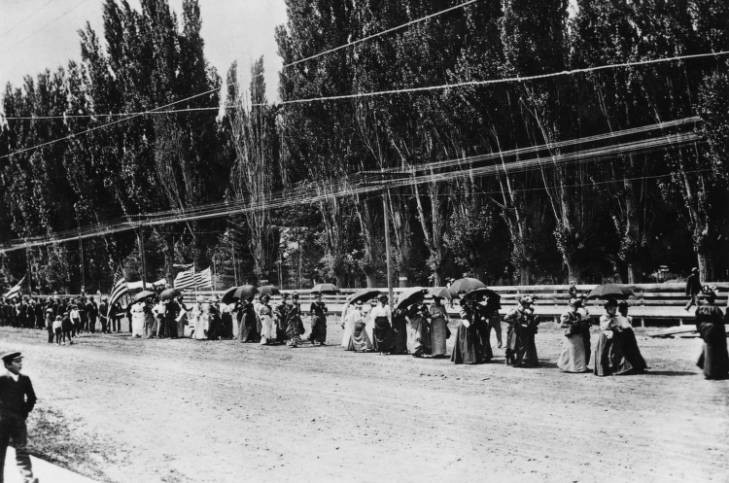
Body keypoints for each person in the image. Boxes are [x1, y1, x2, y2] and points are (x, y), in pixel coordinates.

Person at [0, 352, 38, 483]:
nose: (20, 364)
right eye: (17, 361)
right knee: (0, 453)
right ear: (7, 364)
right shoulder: (1, 381)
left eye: (20, 361)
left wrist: (24, 412)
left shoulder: (25, 380)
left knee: (22, 451)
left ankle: (28, 479)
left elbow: (32, 398)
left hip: (18, 422)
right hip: (2, 423)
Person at [593, 299, 647, 376]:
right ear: (608, 309)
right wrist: (610, 322)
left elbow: (619, 325)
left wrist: (618, 326)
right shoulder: (603, 317)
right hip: (606, 336)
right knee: (604, 352)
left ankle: (618, 367)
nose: (614, 311)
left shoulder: (617, 317)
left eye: (615, 309)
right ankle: (604, 369)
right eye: (612, 309)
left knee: (618, 350)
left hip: (615, 336)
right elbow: (604, 327)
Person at [695, 287, 729, 380]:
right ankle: (717, 371)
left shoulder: (699, 309)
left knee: (708, 349)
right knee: (719, 350)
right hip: (715, 330)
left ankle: (707, 369)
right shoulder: (716, 309)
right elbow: (722, 321)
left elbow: (697, 321)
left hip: (704, 330)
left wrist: (700, 331)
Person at [504, 296, 539, 367]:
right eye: (527, 304)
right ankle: (509, 359)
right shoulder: (515, 311)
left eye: (529, 304)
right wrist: (515, 322)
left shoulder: (529, 310)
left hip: (525, 331)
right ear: (523, 304)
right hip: (515, 331)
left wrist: (531, 318)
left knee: (522, 346)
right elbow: (506, 318)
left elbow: (529, 320)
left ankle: (519, 361)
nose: (529, 306)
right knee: (513, 346)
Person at [557, 298, 589, 373]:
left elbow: (581, 322)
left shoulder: (578, 314)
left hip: (577, 334)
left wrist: (582, 322)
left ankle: (579, 367)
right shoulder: (566, 314)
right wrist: (572, 323)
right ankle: (566, 366)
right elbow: (562, 324)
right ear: (570, 306)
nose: (574, 308)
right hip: (570, 334)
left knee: (579, 350)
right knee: (570, 350)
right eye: (573, 306)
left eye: (576, 306)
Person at [451, 298, 485, 364]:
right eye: (468, 302)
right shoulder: (463, 309)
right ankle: (467, 358)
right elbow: (464, 318)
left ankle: (474, 357)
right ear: (465, 302)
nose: (470, 303)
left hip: (472, 325)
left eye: (471, 302)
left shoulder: (474, 308)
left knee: (473, 341)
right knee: (465, 342)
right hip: (465, 326)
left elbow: (477, 317)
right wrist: (469, 325)